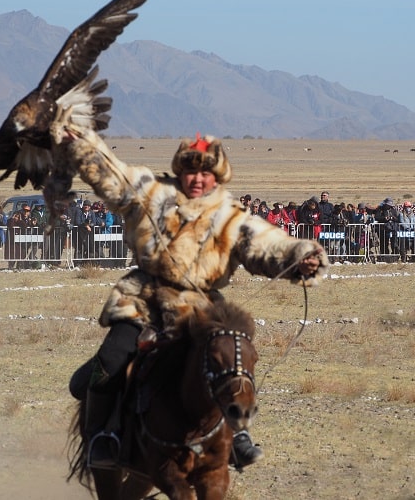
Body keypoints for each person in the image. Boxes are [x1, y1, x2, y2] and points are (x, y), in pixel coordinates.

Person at [55, 124, 329, 471]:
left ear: (217, 176)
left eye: (205, 172)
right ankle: (100, 438)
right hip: (143, 299)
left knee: (234, 356)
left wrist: (299, 256)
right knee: (111, 360)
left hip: (200, 308)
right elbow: (114, 176)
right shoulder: (151, 194)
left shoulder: (230, 216)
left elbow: (266, 243)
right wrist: (82, 147)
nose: (197, 179)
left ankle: (237, 434)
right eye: (190, 170)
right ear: (179, 171)